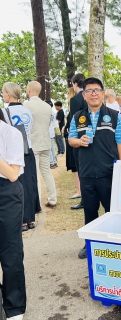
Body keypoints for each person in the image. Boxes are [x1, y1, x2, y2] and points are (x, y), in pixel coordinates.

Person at [68, 77, 121, 259]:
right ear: (84, 95)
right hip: (86, 173)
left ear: (102, 93)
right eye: (89, 91)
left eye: (97, 90)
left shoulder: (114, 116)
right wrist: (79, 141)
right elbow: (71, 139)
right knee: (90, 211)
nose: (93, 93)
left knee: (112, 211)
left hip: (109, 173)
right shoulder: (78, 117)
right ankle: (90, 244)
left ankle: (115, 243)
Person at [2, 82, 40, 232]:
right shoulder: (26, 109)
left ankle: (22, 220)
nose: (3, 95)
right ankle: (31, 218)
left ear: (9, 94)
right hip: (28, 149)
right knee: (30, 183)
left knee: (18, 184)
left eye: (3, 92)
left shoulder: (5, 112)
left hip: (14, 152)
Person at [0, 109, 27, 320]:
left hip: (6, 193)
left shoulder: (11, 133)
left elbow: (12, 174)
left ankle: (14, 308)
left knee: (11, 251)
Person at [24, 81, 57, 209]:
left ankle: (35, 203)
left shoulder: (26, 105)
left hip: (33, 143)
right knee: (47, 172)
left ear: (29, 90)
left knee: (35, 174)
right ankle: (53, 199)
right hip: (45, 142)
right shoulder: (47, 107)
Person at [68, 74, 88, 210]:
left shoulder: (75, 99)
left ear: (75, 84)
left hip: (80, 139)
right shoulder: (90, 96)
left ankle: (84, 200)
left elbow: (75, 120)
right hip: (92, 136)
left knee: (81, 170)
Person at [63, 87, 81, 200]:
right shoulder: (71, 108)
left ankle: (79, 190)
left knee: (75, 167)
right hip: (71, 139)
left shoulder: (74, 103)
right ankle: (79, 190)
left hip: (73, 140)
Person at [45, 100, 58, 169]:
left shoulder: (47, 113)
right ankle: (55, 161)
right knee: (52, 148)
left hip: (48, 132)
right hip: (52, 131)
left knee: (49, 148)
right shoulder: (53, 112)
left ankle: (51, 162)